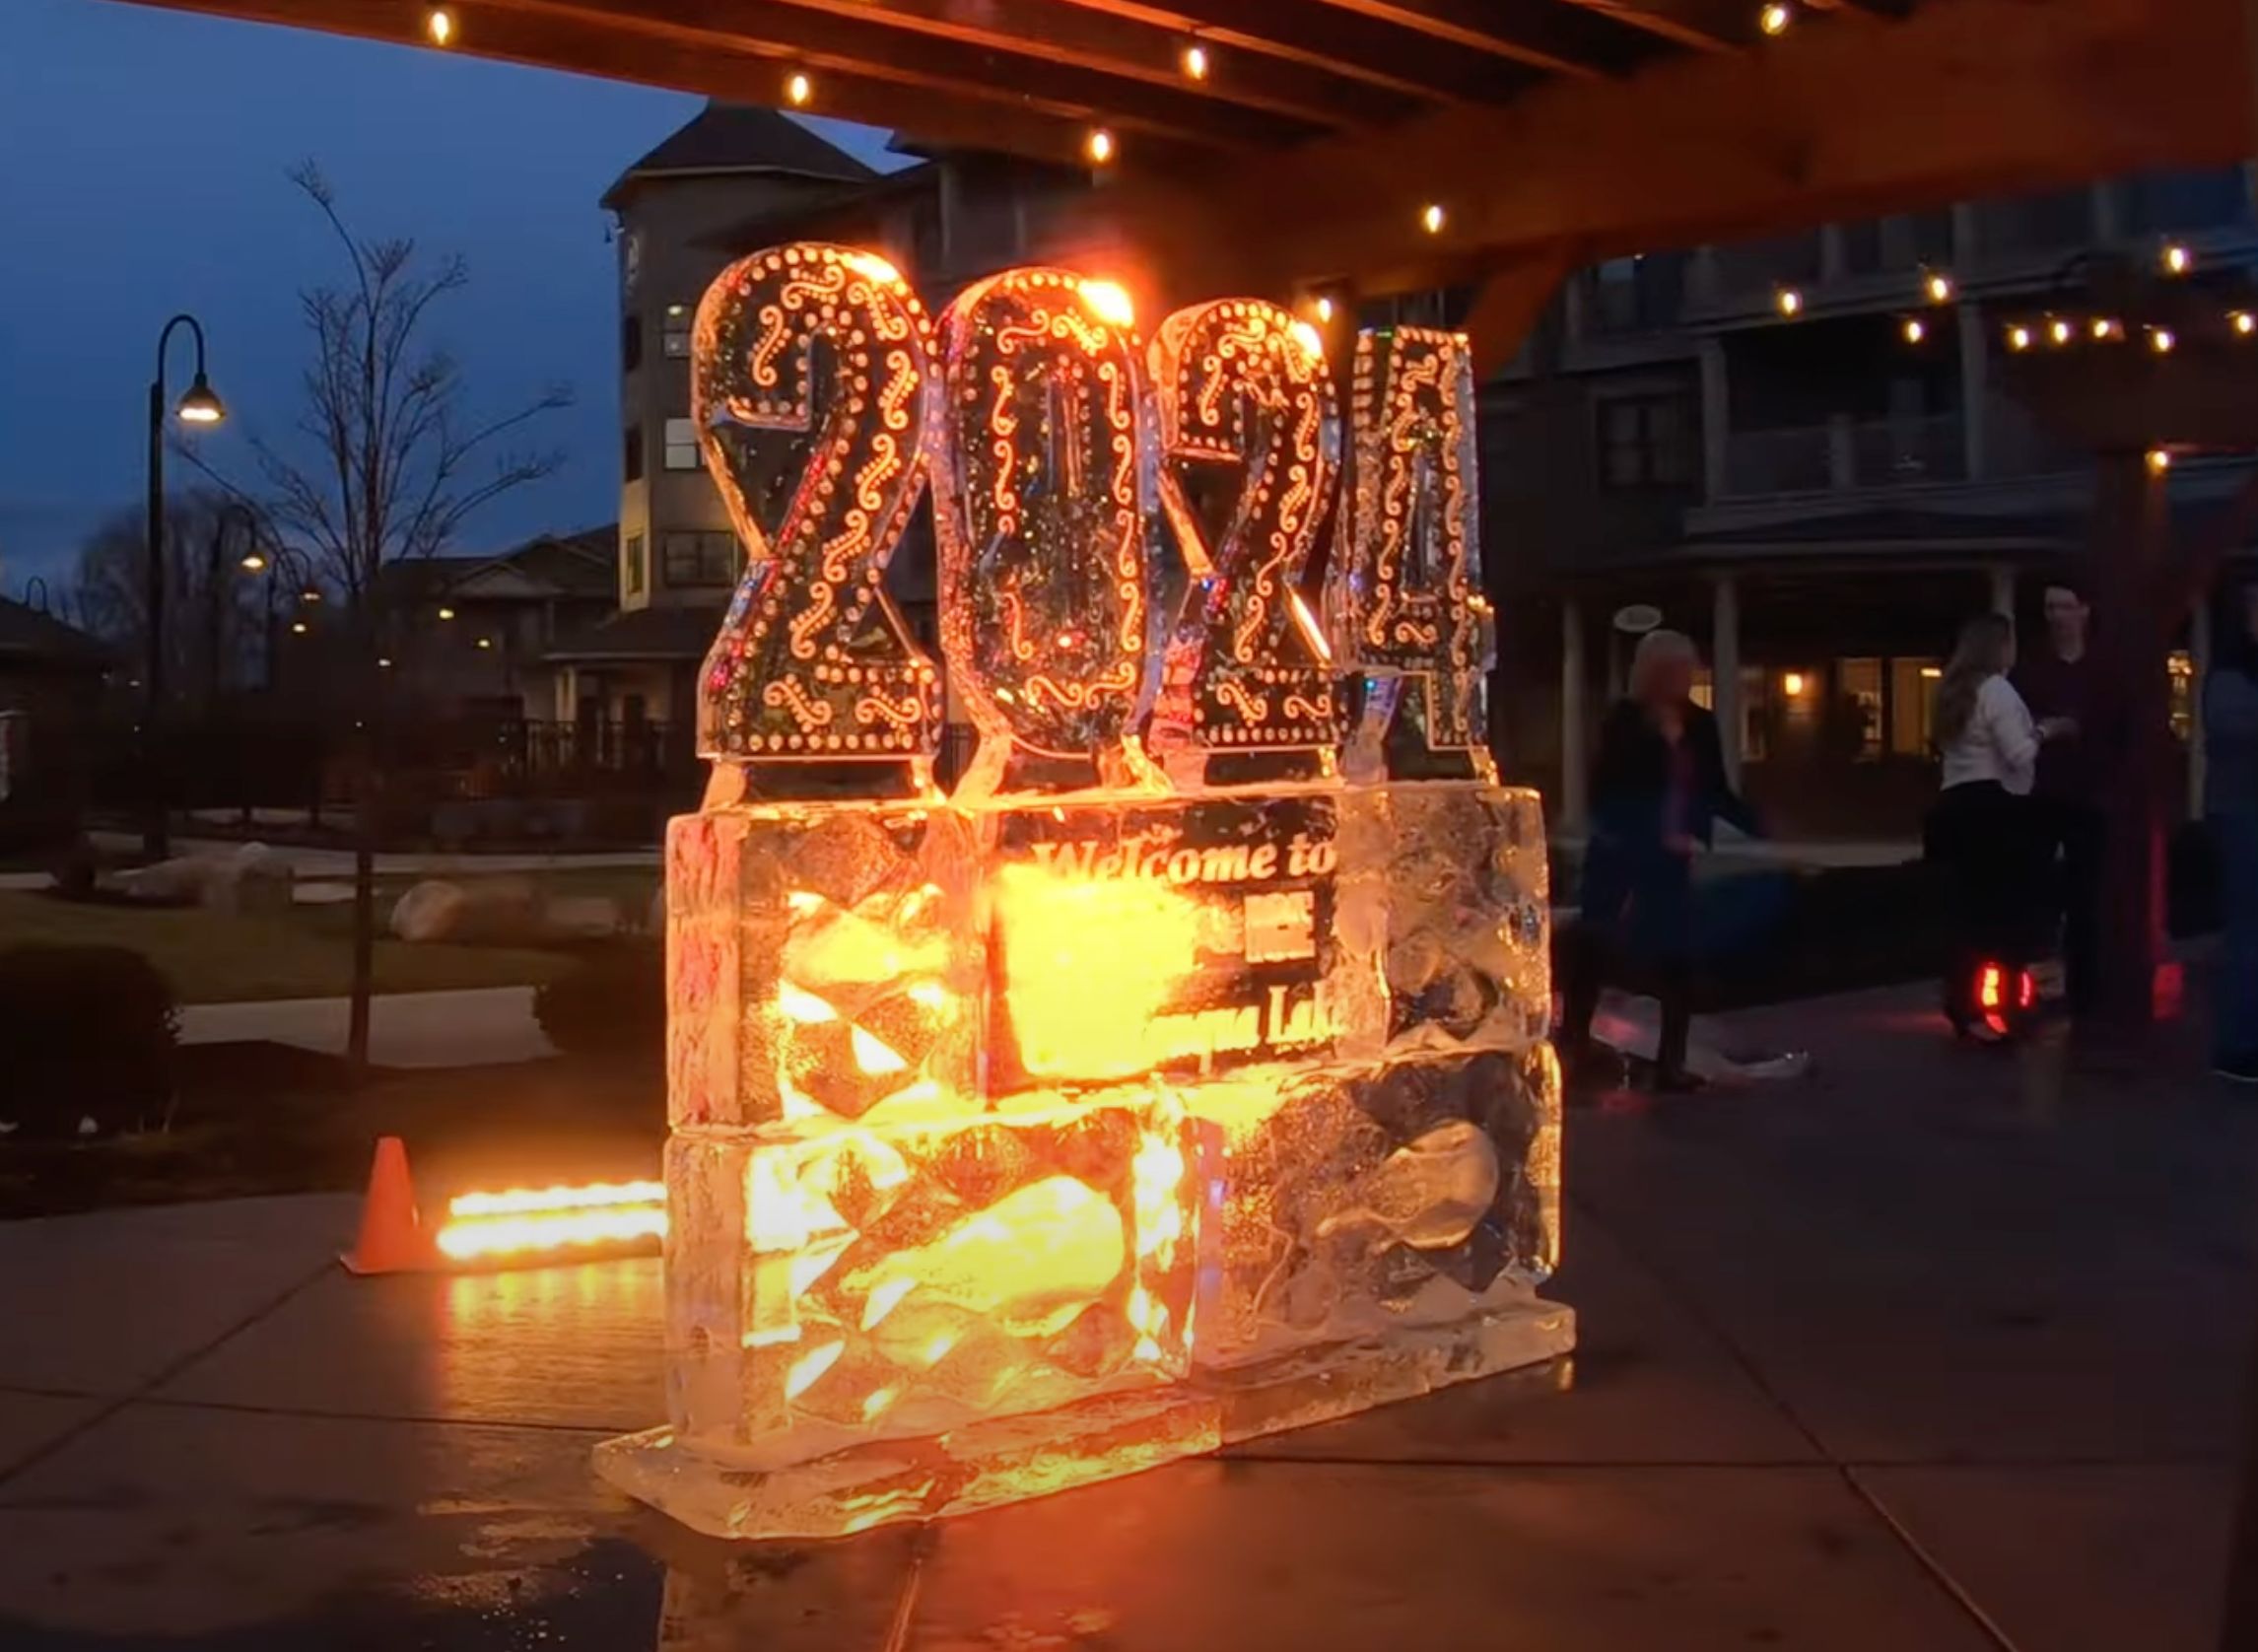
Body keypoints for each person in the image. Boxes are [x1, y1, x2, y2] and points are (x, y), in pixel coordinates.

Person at [1557, 629, 1759, 1093]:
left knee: (1677, 955)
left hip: (1671, 854)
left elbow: (1715, 789)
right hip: (1622, 849)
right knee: (1593, 943)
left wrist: (1756, 826)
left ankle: (1672, 1061)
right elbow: (1606, 783)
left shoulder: (1701, 724)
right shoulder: (1625, 721)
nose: (1682, 680)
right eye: (1673, 672)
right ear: (1652, 673)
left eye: (1687, 672)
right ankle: (1575, 1042)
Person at [1927, 612, 2069, 1040]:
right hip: (1996, 809)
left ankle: (1964, 1007)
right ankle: (2008, 1008)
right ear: (1998, 646)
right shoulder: (1996, 690)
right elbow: (2018, 754)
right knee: (2009, 914)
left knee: (1967, 915)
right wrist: (2048, 730)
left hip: (1956, 808)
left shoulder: (1952, 694)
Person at [2014, 578, 2104, 1017]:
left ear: (2084, 611)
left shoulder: (2104, 666)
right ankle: (2039, 991)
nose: (2057, 617)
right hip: (2042, 794)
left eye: (2065, 607)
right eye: (2050, 608)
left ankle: (2087, 991)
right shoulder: (2032, 667)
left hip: (2090, 795)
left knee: (2087, 895)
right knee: (2038, 897)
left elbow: (2120, 725)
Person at [2205, 579, 2258, 1083]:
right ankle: (2238, 1045)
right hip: (2243, 810)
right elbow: (2233, 731)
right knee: (2248, 932)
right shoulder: (2229, 677)